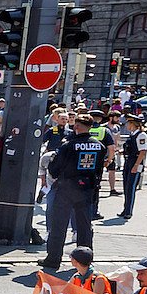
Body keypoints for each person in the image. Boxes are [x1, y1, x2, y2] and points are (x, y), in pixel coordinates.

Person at [42, 114, 109, 273]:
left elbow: (54, 169)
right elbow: (100, 168)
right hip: (87, 189)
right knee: (84, 226)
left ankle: (53, 259)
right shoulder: (99, 146)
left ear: (77, 127)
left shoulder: (68, 145)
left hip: (66, 188)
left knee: (59, 225)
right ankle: (84, 260)